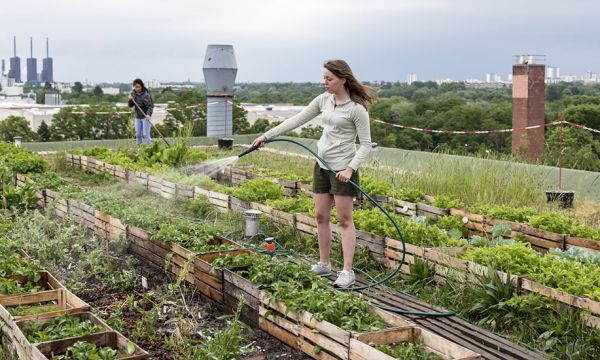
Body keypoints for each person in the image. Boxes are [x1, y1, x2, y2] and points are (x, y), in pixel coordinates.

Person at [251, 59, 375, 287]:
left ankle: (347, 271)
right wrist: (266, 136)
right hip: (321, 166)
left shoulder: (357, 110)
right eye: (324, 78)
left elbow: (366, 144)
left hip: (342, 170)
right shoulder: (323, 101)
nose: (325, 82)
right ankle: (324, 264)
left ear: (343, 79)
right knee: (320, 216)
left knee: (345, 220)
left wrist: (350, 168)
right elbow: (297, 119)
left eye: (329, 79)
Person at [128, 78, 154, 145]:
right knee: (138, 134)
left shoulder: (146, 95)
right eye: (136, 87)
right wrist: (130, 100)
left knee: (146, 134)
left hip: (145, 117)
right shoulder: (132, 94)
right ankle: (139, 148)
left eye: (139, 87)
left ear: (141, 86)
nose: (137, 88)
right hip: (138, 117)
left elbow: (150, 106)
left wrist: (148, 114)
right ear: (134, 86)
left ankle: (150, 147)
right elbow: (130, 105)